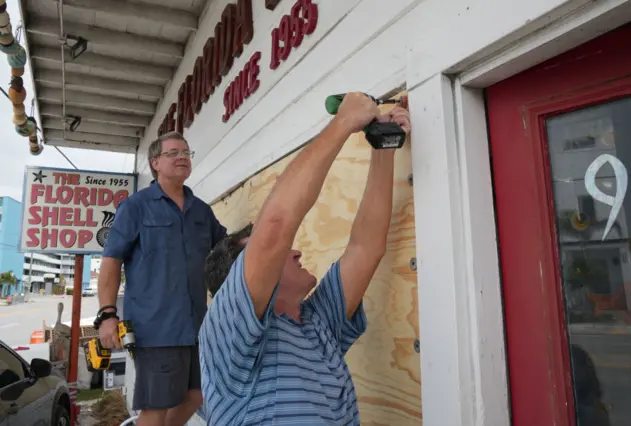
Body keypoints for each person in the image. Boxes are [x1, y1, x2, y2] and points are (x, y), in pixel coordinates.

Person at [199, 92, 411, 425]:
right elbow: (275, 226)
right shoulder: (229, 335)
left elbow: (365, 249)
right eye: (280, 253)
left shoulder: (317, 321)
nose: (294, 250)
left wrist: (383, 144)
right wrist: (342, 122)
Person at [96, 132, 227, 426]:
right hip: (156, 328)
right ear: (155, 162)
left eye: (186, 152)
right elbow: (111, 260)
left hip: (197, 327)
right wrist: (107, 315)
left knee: (196, 396)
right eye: (173, 153)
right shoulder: (136, 206)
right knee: (155, 408)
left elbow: (225, 248)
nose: (182, 157)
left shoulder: (202, 211)